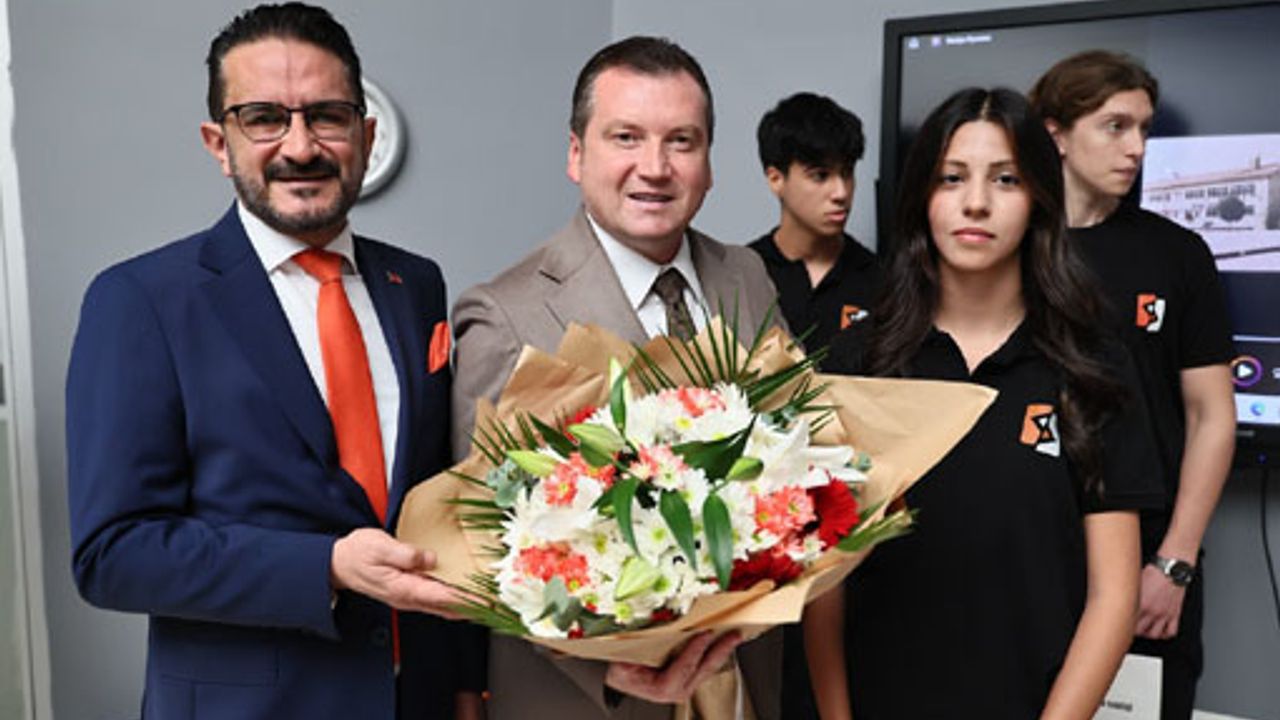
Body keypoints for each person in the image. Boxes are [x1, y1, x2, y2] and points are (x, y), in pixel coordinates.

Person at [66, 4, 481, 718]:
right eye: (263, 118)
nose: (301, 145)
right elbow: (112, 553)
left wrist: (466, 684)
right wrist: (325, 566)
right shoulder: (141, 301)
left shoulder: (414, 285)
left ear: (364, 134)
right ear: (218, 143)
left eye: (327, 116)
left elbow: (446, 503)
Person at [450, 35, 784, 720]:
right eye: (626, 137)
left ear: (709, 162)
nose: (654, 168)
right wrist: (612, 664)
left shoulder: (746, 276)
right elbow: (485, 541)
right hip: (592, 702)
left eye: (681, 141)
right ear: (577, 154)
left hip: (744, 686)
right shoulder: (505, 313)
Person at [806, 87, 1164, 719]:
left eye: (1005, 179)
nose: (976, 202)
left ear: (1038, 199)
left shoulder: (1095, 364)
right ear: (922, 196)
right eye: (952, 178)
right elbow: (823, 581)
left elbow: (1113, 595)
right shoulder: (857, 359)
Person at [1030, 51, 1236, 720]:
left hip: (1150, 563)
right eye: (1115, 126)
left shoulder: (1177, 254)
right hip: (1030, 554)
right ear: (1057, 134)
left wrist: (1174, 563)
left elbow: (1211, 415)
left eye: (1144, 129)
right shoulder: (1008, 249)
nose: (1137, 148)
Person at [749, 92, 880, 355]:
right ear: (776, 179)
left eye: (847, 173)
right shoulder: (744, 274)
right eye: (820, 176)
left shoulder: (881, 281)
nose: (841, 192)